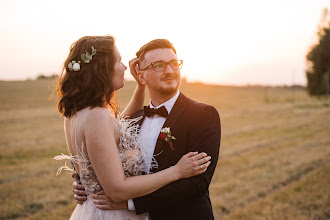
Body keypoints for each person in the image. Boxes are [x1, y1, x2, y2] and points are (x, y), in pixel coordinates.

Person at [54, 36, 212, 220]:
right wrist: (176, 171)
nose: (124, 67)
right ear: (103, 68)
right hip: (111, 213)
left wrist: (140, 86)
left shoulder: (76, 113)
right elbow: (117, 189)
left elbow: (118, 126)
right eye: (119, 61)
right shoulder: (97, 116)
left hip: (93, 209)